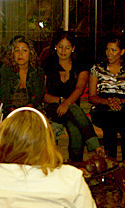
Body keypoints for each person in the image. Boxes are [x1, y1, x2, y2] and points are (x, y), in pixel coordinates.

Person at [43, 30, 104, 162]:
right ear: (55, 47)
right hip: (53, 108)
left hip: (72, 109)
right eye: (60, 46)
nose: (63, 51)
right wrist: (60, 101)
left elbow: (79, 89)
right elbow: (42, 94)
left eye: (67, 47)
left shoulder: (80, 66)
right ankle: (95, 145)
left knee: (75, 128)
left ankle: (75, 164)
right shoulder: (47, 64)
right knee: (74, 110)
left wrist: (66, 104)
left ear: (73, 48)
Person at [89, 35, 125, 163]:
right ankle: (110, 162)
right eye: (107, 49)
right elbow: (92, 96)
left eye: (113, 50)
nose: (109, 53)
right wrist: (108, 102)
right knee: (110, 121)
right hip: (102, 107)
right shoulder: (97, 69)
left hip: (124, 108)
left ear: (122, 52)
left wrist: (120, 102)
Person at [0, 36, 45, 115]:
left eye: (24, 50)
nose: (20, 54)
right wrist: (14, 111)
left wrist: (28, 109)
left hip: (33, 111)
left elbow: (38, 96)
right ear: (13, 53)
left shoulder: (38, 71)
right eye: (17, 50)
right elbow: (5, 96)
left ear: (30, 53)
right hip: (11, 112)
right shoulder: (6, 70)